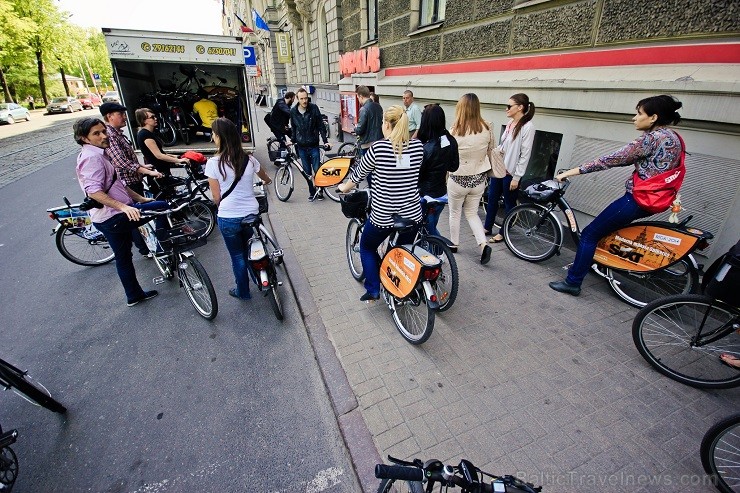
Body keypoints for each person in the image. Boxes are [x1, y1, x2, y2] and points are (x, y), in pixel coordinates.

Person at [549, 95, 685, 296]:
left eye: (639, 113)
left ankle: (573, 282)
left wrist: (570, 172)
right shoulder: (675, 138)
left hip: (636, 200)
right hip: (658, 200)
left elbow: (611, 160)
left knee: (588, 234)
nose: (634, 118)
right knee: (606, 231)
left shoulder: (650, 139)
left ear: (653, 117)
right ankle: (598, 262)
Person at [73, 117, 167, 306]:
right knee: (163, 206)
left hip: (105, 218)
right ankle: (164, 248)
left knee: (123, 258)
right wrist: (125, 207)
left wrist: (139, 199)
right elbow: (94, 191)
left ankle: (134, 295)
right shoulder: (93, 157)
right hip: (115, 217)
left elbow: (117, 184)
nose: (103, 136)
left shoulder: (96, 153)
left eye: (103, 131)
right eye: (96, 133)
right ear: (84, 138)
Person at [338, 105, 424, 301]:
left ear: (386, 124)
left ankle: (373, 289)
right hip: (412, 214)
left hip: (384, 215)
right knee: (403, 253)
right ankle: (401, 287)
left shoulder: (378, 149)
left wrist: (343, 188)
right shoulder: (418, 147)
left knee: (367, 247)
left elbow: (358, 175)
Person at [205, 118, 273, 300]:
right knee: (253, 247)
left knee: (238, 255)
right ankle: (264, 274)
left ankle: (243, 291)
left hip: (228, 217)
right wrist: (266, 181)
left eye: (213, 134)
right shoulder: (249, 159)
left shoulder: (213, 164)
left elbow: (216, 197)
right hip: (251, 213)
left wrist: (224, 209)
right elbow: (265, 177)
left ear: (219, 137)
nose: (212, 136)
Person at [101, 102, 164, 257]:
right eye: (120, 114)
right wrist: (145, 171)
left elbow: (128, 159)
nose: (125, 117)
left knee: (139, 212)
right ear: (110, 116)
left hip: (132, 180)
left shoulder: (118, 133)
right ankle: (147, 249)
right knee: (135, 217)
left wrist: (142, 167)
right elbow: (120, 161)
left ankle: (150, 246)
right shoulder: (110, 135)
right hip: (127, 182)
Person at [447, 93, 494, 265]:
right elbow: (491, 149)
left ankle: (454, 243)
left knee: (455, 212)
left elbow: (449, 157)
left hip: (458, 179)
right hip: (478, 179)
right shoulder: (487, 128)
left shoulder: (454, 131)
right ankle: (483, 244)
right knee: (472, 213)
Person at [484, 93, 536, 243]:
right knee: (492, 199)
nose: (506, 109)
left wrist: (517, 177)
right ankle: (487, 227)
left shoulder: (527, 127)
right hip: (500, 170)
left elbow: (525, 154)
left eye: (509, 106)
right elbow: (505, 146)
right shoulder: (510, 124)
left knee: (509, 204)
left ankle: (503, 232)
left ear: (520, 107)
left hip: (511, 173)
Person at [417, 104, 459, 236]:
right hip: (441, 194)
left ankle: (440, 248)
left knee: (428, 230)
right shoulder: (451, 140)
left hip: (425, 196)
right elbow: (454, 167)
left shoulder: (425, 148)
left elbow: (418, 175)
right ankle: (435, 249)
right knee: (431, 225)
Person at [135, 107, 190, 198]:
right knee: (166, 195)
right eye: (152, 117)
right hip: (158, 170)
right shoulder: (145, 134)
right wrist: (179, 161)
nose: (155, 118)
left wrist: (175, 156)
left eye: (155, 116)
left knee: (169, 193)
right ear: (144, 121)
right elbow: (158, 155)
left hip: (161, 168)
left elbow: (159, 152)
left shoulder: (148, 133)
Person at [290, 88, 330, 201]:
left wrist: (325, 141)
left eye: (306, 98)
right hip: (301, 147)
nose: (304, 101)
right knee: (307, 172)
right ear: (297, 99)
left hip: (314, 145)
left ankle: (320, 191)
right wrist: (292, 140)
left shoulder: (313, 108)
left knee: (317, 170)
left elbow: (321, 126)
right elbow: (293, 127)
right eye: (302, 98)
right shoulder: (293, 111)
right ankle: (312, 192)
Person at [354, 85, 383, 157]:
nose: (358, 100)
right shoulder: (378, 106)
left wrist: (355, 128)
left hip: (367, 144)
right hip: (379, 141)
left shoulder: (364, 109)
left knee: (366, 166)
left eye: (358, 98)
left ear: (361, 96)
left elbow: (360, 129)